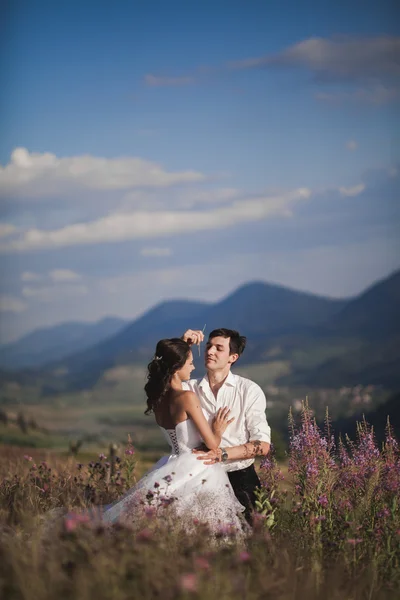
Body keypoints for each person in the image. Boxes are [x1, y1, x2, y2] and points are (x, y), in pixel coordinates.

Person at [102, 338, 245, 533]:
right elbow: (213, 445)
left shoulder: (158, 398)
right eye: (190, 363)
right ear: (177, 367)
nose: (194, 367)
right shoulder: (186, 397)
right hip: (197, 466)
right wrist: (218, 429)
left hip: (170, 464)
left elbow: (170, 359)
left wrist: (183, 344)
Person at [181, 328, 271, 523]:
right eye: (208, 346)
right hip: (200, 479)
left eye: (218, 348)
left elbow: (262, 446)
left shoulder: (249, 390)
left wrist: (220, 453)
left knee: (252, 545)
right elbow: (160, 387)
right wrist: (182, 346)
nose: (210, 351)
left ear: (233, 357)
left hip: (241, 479)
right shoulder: (189, 388)